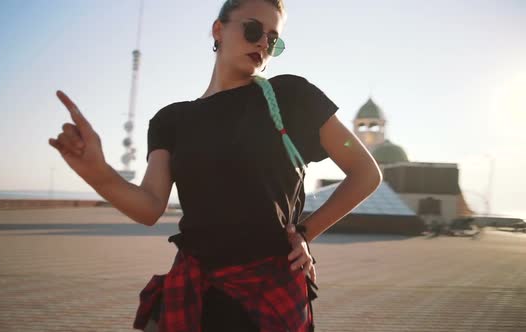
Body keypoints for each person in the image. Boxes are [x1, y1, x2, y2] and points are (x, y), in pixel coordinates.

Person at [49, 0, 382, 330]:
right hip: (194, 293)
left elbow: (365, 172)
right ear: (218, 29)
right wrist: (98, 173)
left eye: (273, 39)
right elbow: (149, 207)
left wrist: (306, 233)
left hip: (269, 294)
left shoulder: (292, 96)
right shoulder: (171, 120)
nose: (262, 43)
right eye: (253, 29)